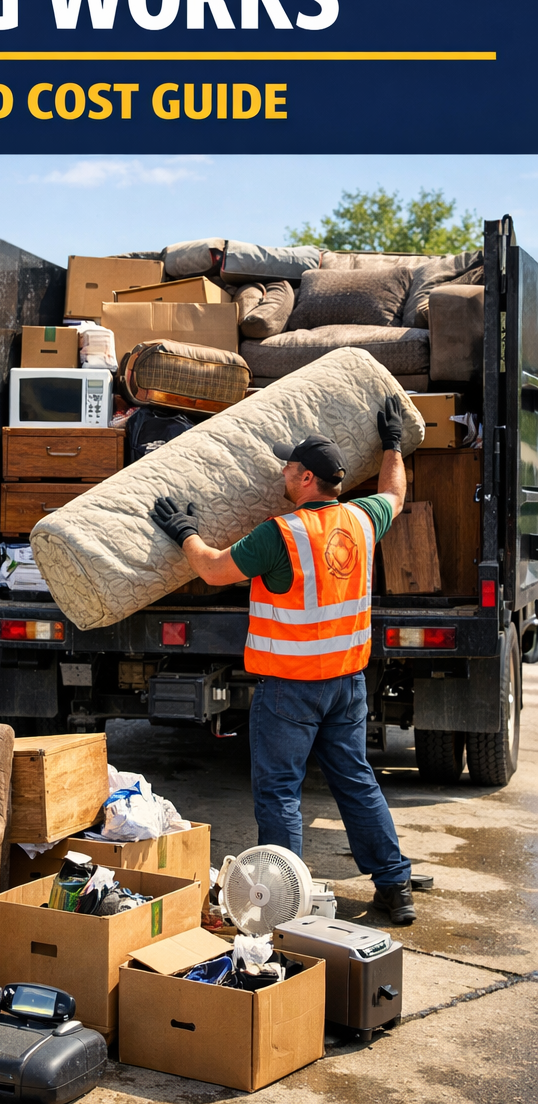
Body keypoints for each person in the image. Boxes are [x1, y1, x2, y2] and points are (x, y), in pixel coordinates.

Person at [150, 394, 416, 927]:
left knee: (279, 795)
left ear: (306, 480)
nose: (284, 474)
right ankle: (396, 886)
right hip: (346, 684)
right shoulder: (363, 520)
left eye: (290, 468)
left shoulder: (281, 534)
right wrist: (392, 443)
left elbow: (213, 570)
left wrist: (184, 531)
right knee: (356, 781)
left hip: (290, 688)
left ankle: (283, 908)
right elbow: (394, 492)